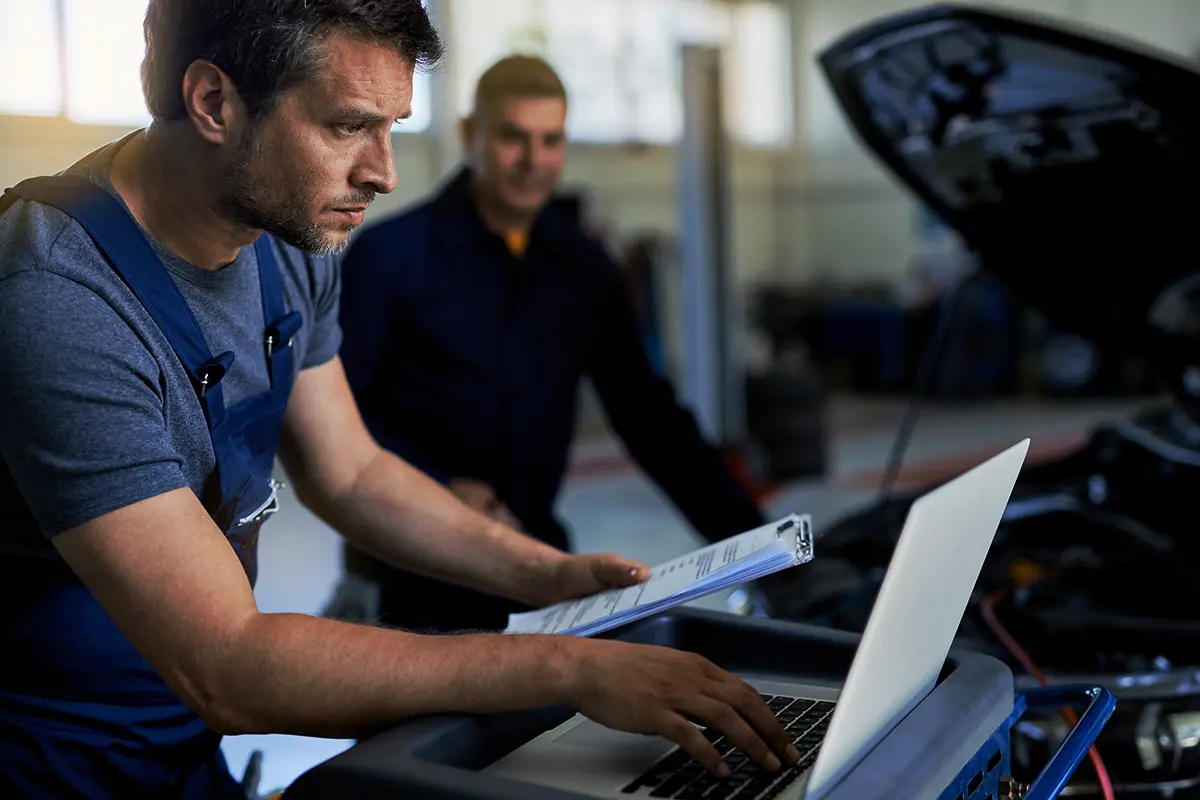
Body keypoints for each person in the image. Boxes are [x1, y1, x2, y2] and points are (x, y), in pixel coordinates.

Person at [0, 4, 796, 798]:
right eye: (348, 126)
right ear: (213, 102)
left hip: (175, 734)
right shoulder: (55, 297)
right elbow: (228, 664)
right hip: (49, 748)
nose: (383, 171)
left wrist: (552, 579)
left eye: (392, 127)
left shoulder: (283, 240)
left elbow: (351, 473)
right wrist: (565, 666)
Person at [331, 55, 768, 634]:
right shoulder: (389, 259)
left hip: (539, 571)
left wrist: (763, 550)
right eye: (513, 137)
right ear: (470, 134)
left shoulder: (585, 270)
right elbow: (338, 417)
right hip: (411, 577)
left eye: (551, 140)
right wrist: (434, 487)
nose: (533, 162)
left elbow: (651, 420)